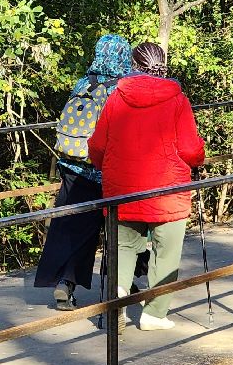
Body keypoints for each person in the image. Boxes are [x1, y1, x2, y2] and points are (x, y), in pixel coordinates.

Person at [87, 42, 206, 331]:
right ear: (163, 63)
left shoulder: (116, 98)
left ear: (133, 64)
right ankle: (154, 314)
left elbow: (98, 145)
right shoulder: (177, 100)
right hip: (168, 189)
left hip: (123, 187)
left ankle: (116, 309)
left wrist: (105, 166)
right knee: (166, 251)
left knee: (123, 249)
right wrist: (199, 159)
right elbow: (191, 149)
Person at [34, 34, 133, 310]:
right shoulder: (121, 89)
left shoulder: (83, 82)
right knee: (120, 227)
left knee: (72, 227)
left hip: (71, 166)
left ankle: (65, 283)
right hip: (104, 170)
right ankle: (122, 281)